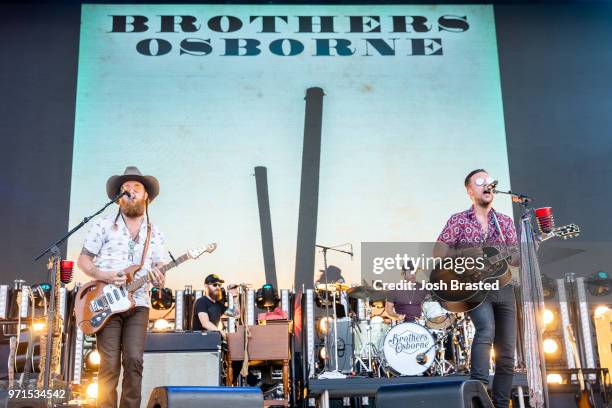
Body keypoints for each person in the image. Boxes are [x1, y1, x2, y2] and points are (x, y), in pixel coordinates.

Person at [77, 166, 167, 408]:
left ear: (146, 195)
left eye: (137, 187)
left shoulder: (155, 233)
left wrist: (159, 277)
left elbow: (159, 268)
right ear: (118, 197)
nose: (131, 191)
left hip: (139, 304)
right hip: (106, 303)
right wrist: (102, 274)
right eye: (125, 188)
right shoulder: (103, 225)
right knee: (109, 364)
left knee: (134, 361)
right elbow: (83, 259)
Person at [434, 169, 519, 408]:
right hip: (472, 287)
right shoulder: (459, 220)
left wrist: (529, 245)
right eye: (480, 182)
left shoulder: (504, 222)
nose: (487, 185)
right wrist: (465, 255)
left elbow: (515, 260)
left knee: (507, 352)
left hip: (503, 288)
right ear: (470, 191)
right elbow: (439, 251)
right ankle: (478, 398)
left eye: (489, 181)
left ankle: (501, 405)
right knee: (486, 329)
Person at [192, 274, 237, 338]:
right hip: (200, 341)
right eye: (214, 285)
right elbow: (205, 323)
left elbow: (236, 314)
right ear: (206, 286)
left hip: (213, 341)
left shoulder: (219, 304)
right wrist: (220, 332)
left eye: (219, 285)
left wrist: (235, 297)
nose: (218, 287)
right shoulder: (201, 302)